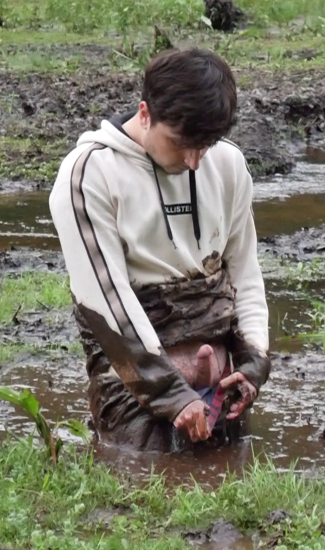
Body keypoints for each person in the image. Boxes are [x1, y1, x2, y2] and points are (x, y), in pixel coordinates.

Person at [49, 48, 270, 452]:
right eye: (181, 144)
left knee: (233, 463)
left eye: (205, 145)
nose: (193, 161)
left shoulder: (228, 164)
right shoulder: (89, 176)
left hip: (222, 383)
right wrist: (173, 394)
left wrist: (253, 365)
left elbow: (245, 274)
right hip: (132, 384)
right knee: (145, 465)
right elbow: (104, 302)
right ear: (145, 113)